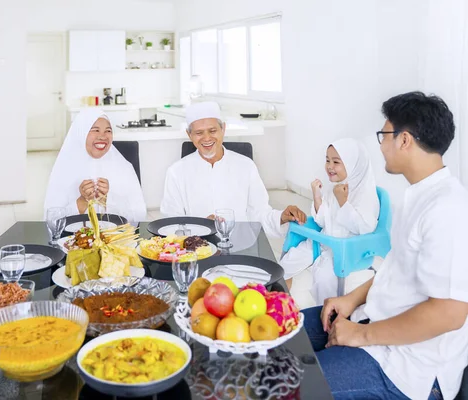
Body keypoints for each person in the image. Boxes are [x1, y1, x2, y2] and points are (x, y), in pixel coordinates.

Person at [302, 92, 468, 399]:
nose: (381, 144)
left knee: (295, 385)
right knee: (277, 332)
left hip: (407, 366)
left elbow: (449, 313)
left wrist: (361, 335)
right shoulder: (416, 196)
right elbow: (397, 270)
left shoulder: (447, 208)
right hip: (373, 319)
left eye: (384, 134)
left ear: (404, 140)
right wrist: (351, 299)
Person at [160, 101, 306, 237]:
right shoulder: (176, 172)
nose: (206, 138)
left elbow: (260, 213)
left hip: (241, 249)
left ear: (223, 129)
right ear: (189, 134)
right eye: (199, 133)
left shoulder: (245, 166)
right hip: (197, 252)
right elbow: (172, 224)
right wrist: (203, 226)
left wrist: (281, 217)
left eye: (212, 130)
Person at [280, 138, 379, 304]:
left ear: (353, 164)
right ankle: (279, 303)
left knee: (324, 279)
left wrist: (343, 203)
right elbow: (322, 220)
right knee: (287, 263)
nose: (330, 166)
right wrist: (317, 196)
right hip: (323, 241)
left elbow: (365, 229)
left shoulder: (366, 195)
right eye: (327, 160)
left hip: (345, 250)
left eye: (336, 162)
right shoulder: (336, 187)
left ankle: (326, 316)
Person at [44, 108, 146, 223]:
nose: (102, 136)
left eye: (108, 131)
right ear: (81, 133)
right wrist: (82, 202)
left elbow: (139, 216)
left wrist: (108, 200)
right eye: (95, 130)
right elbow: (51, 221)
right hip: (72, 239)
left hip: (116, 238)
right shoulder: (63, 170)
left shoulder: (124, 167)